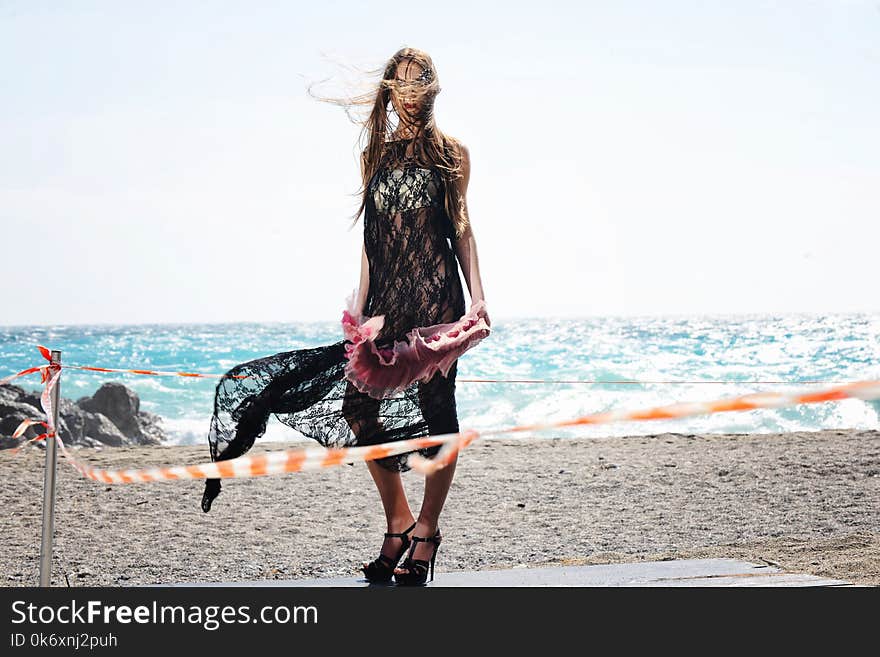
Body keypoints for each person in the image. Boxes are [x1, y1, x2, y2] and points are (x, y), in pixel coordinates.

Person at [200, 47, 490, 587]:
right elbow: (370, 239)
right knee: (359, 406)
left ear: (431, 87)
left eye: (417, 80)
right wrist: (358, 306)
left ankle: (427, 531)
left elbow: (463, 228)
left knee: (437, 412)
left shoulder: (453, 153)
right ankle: (399, 520)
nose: (408, 90)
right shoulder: (374, 156)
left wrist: (478, 298)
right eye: (399, 81)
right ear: (388, 90)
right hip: (388, 301)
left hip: (437, 300)